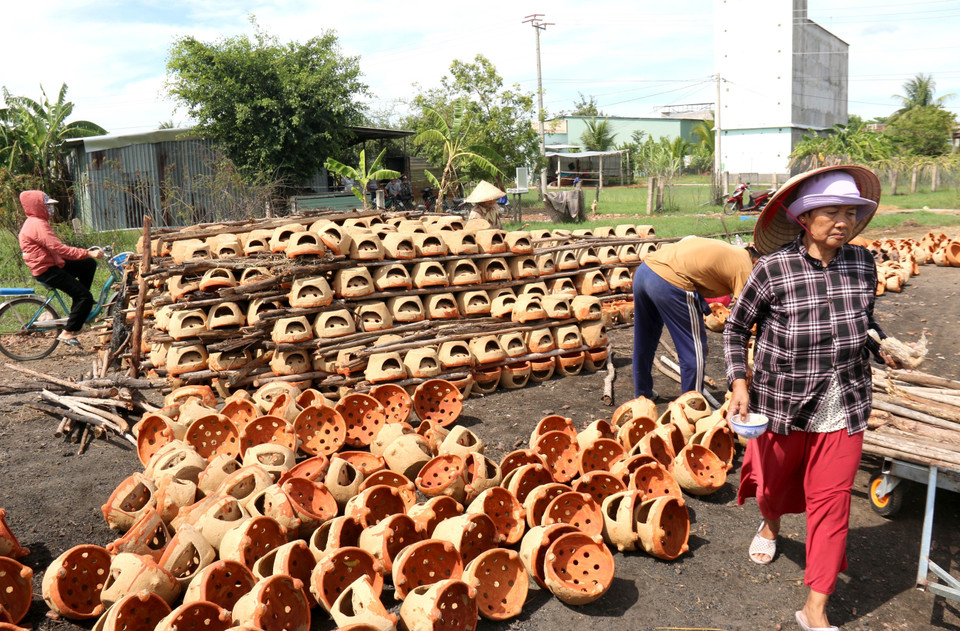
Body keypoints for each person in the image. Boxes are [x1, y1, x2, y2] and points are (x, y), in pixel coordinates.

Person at [723, 165, 901, 631]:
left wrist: (885, 346)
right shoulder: (773, 268)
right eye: (831, 212)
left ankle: (815, 608)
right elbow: (737, 327)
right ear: (804, 217)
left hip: (845, 402)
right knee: (775, 486)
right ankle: (771, 522)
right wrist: (739, 384)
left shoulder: (863, 263)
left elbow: (865, 324)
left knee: (833, 501)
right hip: (783, 401)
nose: (843, 221)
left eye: (850, 212)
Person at [632, 236, 757, 400]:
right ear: (757, 262)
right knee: (693, 352)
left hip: (644, 272)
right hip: (669, 281)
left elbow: (696, 278)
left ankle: (642, 395)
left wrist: (701, 318)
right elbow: (743, 320)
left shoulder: (727, 250)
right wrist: (744, 365)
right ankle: (691, 407)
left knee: (644, 341)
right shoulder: (745, 267)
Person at [18, 190, 104, 348]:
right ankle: (68, 332)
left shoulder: (35, 221)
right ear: (37, 206)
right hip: (47, 270)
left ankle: (79, 309)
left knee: (88, 265)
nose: (51, 209)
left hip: (51, 263)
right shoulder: (38, 224)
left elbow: (57, 251)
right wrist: (87, 252)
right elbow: (60, 249)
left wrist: (86, 257)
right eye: (47, 205)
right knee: (85, 296)